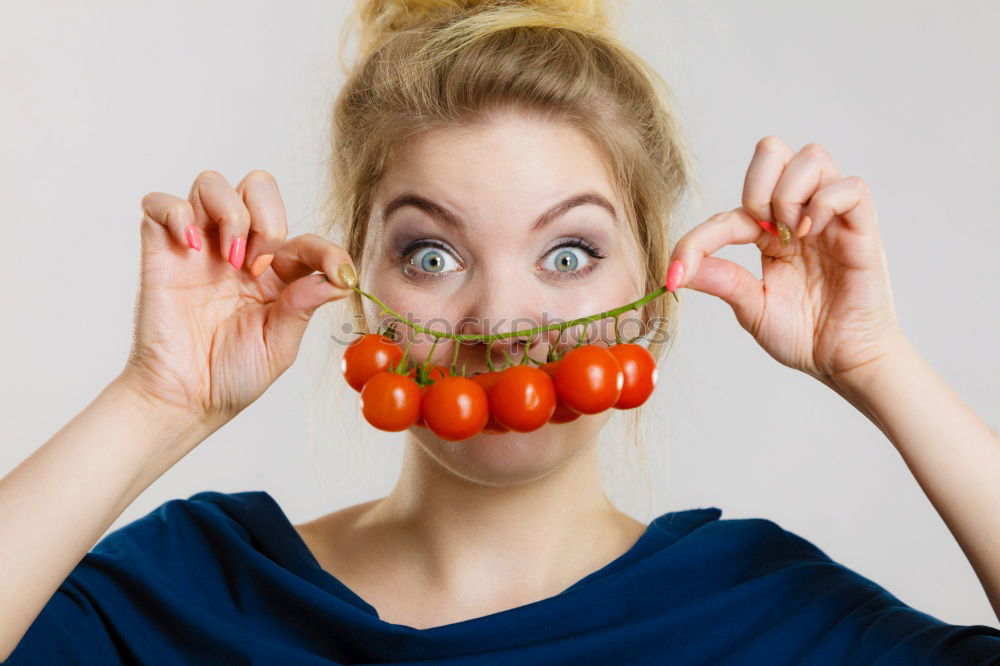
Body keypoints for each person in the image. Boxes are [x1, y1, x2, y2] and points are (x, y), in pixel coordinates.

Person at [2, 0, 999, 663]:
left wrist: (879, 367)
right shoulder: (194, 594)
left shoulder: (769, 614)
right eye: (431, 256)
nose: (501, 322)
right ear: (356, 291)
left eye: (568, 254)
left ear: (655, 297)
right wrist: (156, 401)